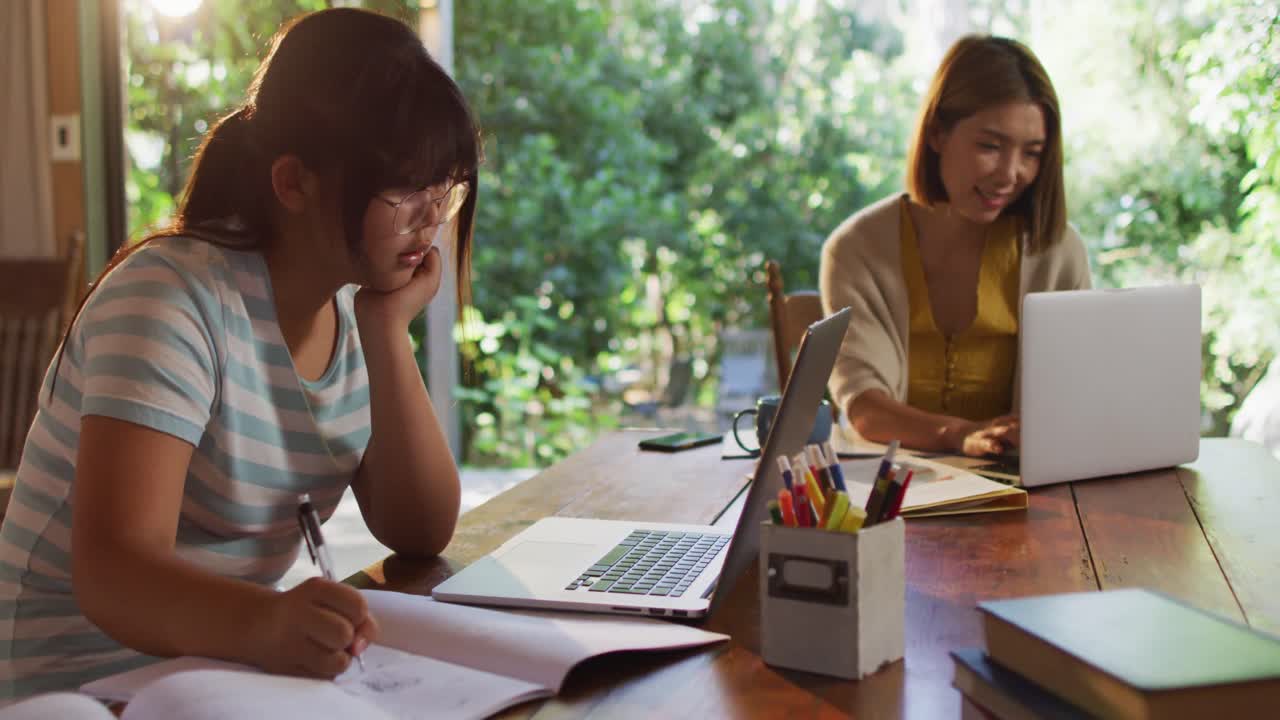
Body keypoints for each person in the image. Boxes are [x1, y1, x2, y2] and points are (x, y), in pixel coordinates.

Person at [0, 8, 479, 700]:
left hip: (211, 676)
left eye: (444, 187)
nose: (431, 217)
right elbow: (113, 573)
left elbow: (421, 529)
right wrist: (266, 622)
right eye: (404, 187)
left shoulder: (348, 307)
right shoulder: (172, 300)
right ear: (293, 183)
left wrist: (387, 331)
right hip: (75, 687)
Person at [820, 35, 1091, 457]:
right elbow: (865, 408)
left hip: (1022, 489)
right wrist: (959, 435)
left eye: (1032, 153)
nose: (1010, 174)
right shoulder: (855, 249)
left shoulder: (1057, 250)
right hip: (890, 491)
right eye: (990, 146)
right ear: (937, 134)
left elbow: (1072, 403)